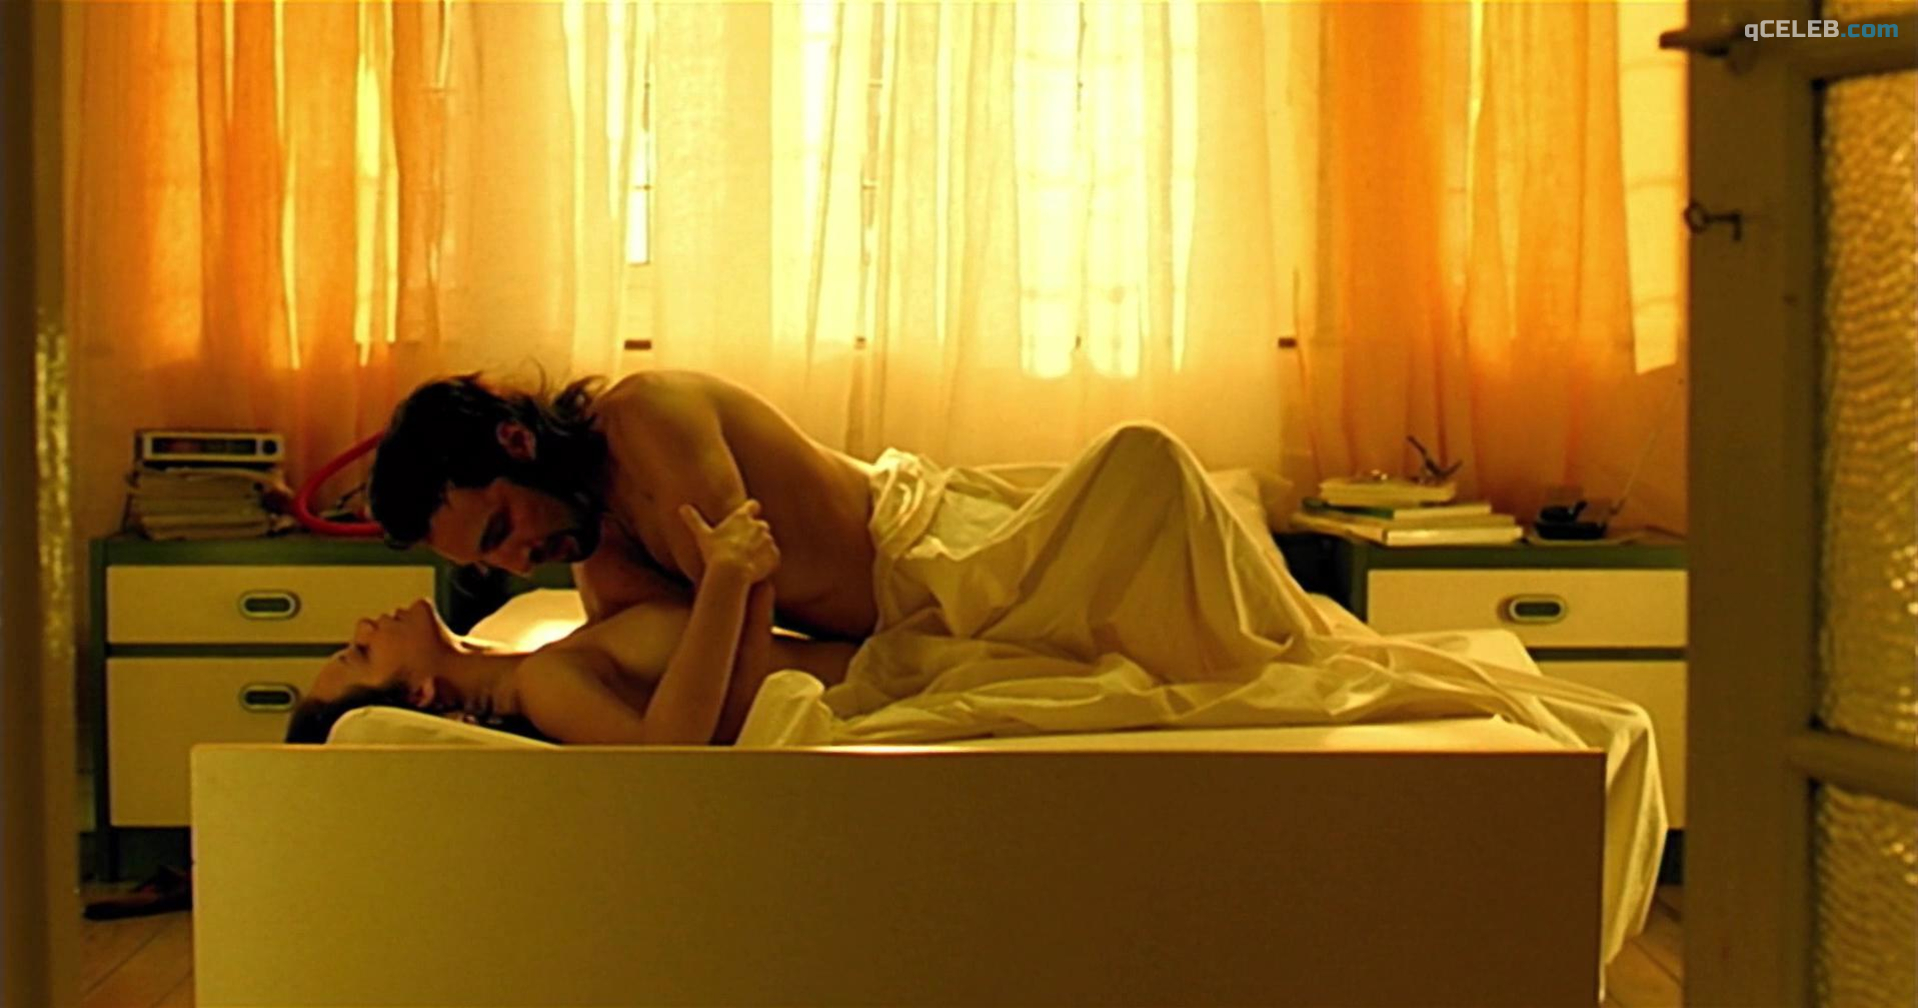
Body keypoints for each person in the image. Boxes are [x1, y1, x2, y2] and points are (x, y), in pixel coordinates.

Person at [289, 497, 857, 745]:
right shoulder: (541, 684)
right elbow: (667, 753)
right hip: (862, 686)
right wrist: (727, 580)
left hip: (862, 660)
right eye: (361, 653)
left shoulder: (544, 664)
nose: (363, 628)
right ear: (420, 694)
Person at [368, 370, 879, 640]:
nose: (519, 566)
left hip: (920, 552)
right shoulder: (602, 556)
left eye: (500, 530)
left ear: (518, 442)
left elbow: (745, 608)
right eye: (488, 562)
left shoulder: (650, 416)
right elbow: (671, 666)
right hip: (884, 627)